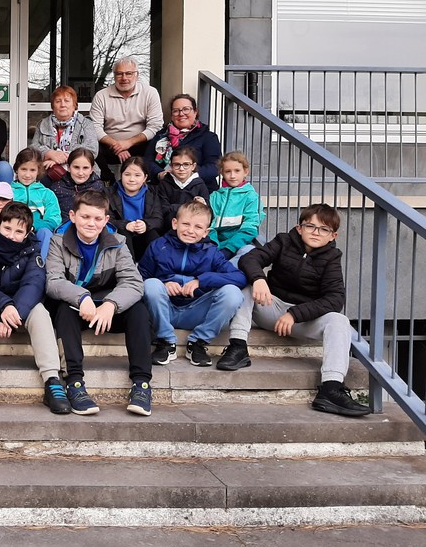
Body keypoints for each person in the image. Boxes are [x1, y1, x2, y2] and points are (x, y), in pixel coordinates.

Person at [217, 204, 370, 417]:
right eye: (310, 226)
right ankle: (238, 347)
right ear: (300, 228)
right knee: (246, 284)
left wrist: (295, 314)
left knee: (339, 321)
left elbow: (335, 299)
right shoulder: (284, 241)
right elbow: (250, 258)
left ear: (332, 235)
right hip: (270, 308)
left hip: (301, 320)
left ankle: (331, 389)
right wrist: (259, 278)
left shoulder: (332, 257)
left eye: (323, 229)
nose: (316, 232)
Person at [0, 202, 72, 416]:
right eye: (7, 228)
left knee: (40, 312)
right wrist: (4, 306)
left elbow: (34, 284)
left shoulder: (33, 249)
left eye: (19, 231)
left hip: (20, 306)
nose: (11, 235)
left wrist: (12, 313)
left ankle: (52, 380)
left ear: (27, 233)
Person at [45, 190, 153, 416]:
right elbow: (53, 281)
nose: (91, 223)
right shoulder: (58, 241)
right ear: (73, 216)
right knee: (63, 310)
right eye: (85, 217)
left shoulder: (118, 242)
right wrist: (82, 297)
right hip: (76, 307)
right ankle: (74, 382)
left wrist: (111, 304)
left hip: (106, 309)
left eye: (97, 218)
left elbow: (134, 282)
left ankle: (141, 384)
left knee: (139, 312)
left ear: (105, 220)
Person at [139, 200, 246, 367]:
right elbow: (139, 277)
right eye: (186, 224)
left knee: (233, 293)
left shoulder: (211, 252)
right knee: (151, 285)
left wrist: (201, 281)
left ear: (206, 232)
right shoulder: (158, 246)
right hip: (164, 310)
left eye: (198, 227)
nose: (190, 230)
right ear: (175, 223)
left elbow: (240, 278)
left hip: (197, 311)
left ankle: (198, 342)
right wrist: (163, 283)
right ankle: (166, 342)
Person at [89, 56, 163, 178]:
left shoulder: (150, 93)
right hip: (109, 145)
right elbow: (95, 127)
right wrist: (118, 145)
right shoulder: (101, 96)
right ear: (114, 76)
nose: (124, 78)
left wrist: (128, 143)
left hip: (140, 144)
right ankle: (107, 180)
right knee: (91, 145)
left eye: (129, 73)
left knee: (156, 142)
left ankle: (146, 181)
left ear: (137, 75)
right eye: (119, 74)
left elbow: (155, 126)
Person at [145, 93, 222, 192]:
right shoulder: (161, 135)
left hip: (198, 191)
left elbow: (214, 167)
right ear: (172, 115)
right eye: (176, 111)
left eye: (186, 109)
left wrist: (187, 175)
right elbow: (147, 161)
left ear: (195, 112)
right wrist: (160, 174)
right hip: (164, 189)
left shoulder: (208, 137)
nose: (181, 114)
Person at [31, 86, 99, 183]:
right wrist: (49, 153)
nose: (62, 105)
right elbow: (33, 148)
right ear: (53, 106)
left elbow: (92, 149)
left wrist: (61, 158)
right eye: (58, 101)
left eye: (67, 101)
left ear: (74, 105)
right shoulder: (43, 124)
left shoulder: (86, 123)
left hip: (81, 173)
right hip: (49, 173)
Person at [209, 151, 263, 260]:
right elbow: (208, 225)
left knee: (247, 254)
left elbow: (250, 227)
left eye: (237, 171)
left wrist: (229, 249)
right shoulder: (214, 197)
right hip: (215, 244)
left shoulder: (251, 196)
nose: (232, 176)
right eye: (228, 171)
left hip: (240, 244)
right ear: (222, 173)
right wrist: (213, 245)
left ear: (245, 172)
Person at [106, 156, 162, 261]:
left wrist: (146, 224)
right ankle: (128, 268)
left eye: (137, 175)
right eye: (127, 174)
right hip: (122, 239)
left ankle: (157, 267)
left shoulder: (152, 193)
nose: (132, 179)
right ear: (121, 175)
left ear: (145, 177)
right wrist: (125, 225)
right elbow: (106, 220)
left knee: (152, 234)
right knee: (123, 233)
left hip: (142, 237)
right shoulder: (109, 193)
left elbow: (158, 219)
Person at [10, 148, 61, 258]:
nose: (27, 175)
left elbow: (54, 219)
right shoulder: (8, 191)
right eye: (24, 169)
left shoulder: (47, 194)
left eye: (32, 170)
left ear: (38, 171)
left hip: (37, 232)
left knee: (46, 232)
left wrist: (33, 226)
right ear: (16, 169)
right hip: (13, 231)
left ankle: (41, 264)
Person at [154, 146, 209, 231]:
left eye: (186, 164)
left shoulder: (200, 185)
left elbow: (208, 213)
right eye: (177, 165)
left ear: (193, 166)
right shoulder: (164, 184)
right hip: (168, 229)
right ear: (171, 166)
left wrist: (203, 204)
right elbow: (162, 208)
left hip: (192, 230)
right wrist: (190, 207)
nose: (181, 169)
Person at [51, 147, 106, 219]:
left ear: (92, 169)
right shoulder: (57, 188)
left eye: (85, 168)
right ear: (68, 168)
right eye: (76, 167)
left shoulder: (99, 187)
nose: (80, 173)